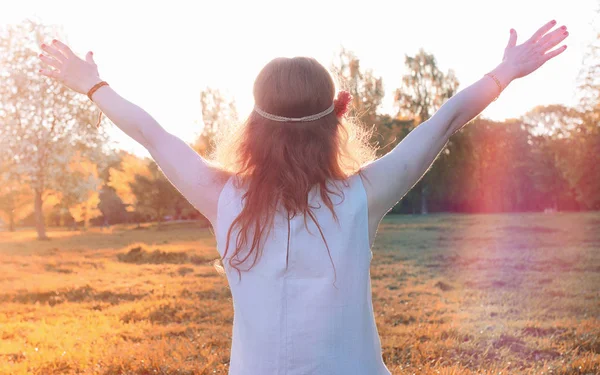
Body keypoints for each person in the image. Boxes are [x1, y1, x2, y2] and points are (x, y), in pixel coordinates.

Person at [38, 20, 568, 375]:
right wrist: (505, 73)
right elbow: (446, 118)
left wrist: (92, 85)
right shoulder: (364, 194)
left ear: (253, 122)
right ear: (341, 110)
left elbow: (152, 134)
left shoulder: (220, 195)